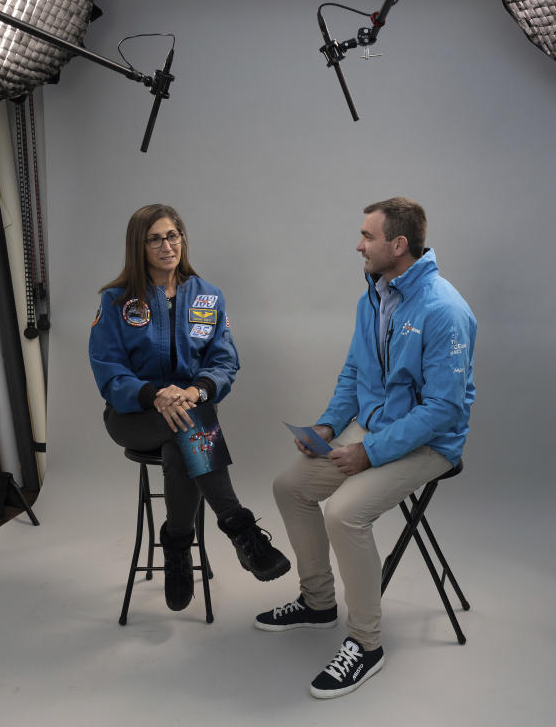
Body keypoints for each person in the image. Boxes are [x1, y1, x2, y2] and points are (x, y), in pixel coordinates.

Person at [255, 197, 476, 699]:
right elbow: (356, 371)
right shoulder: (373, 297)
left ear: (398, 245)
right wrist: (331, 426)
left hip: (430, 443)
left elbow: (443, 410)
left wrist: (369, 454)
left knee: (344, 514)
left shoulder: (444, 310)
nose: (358, 244)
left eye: (367, 236)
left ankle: (366, 644)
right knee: (289, 486)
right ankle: (318, 604)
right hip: (374, 430)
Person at [90, 203, 290, 612]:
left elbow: (224, 361)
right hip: (133, 417)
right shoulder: (116, 302)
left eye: (173, 235)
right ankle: (241, 530)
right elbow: (109, 372)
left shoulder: (208, 296)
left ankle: (177, 547)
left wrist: (197, 391)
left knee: (184, 435)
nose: (167, 246)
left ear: (183, 238)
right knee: (193, 424)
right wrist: (154, 394)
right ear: (139, 246)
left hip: (188, 415)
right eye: (155, 239)